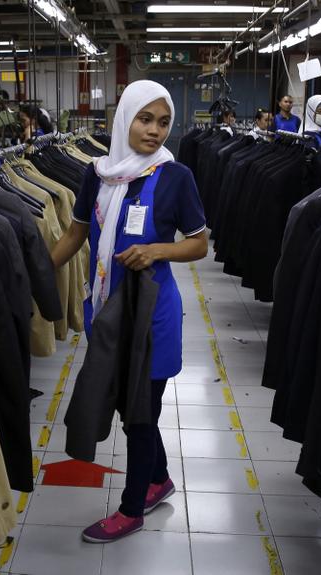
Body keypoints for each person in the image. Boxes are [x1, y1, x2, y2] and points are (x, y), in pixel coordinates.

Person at [50, 79, 208, 544]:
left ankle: (132, 508)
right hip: (108, 311)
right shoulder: (96, 174)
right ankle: (158, 479)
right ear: (124, 119)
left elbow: (199, 244)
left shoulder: (175, 177)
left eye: (163, 122)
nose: (155, 131)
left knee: (140, 413)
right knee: (129, 406)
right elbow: (75, 235)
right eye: (145, 119)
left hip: (151, 316)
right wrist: (28, 276)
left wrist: (157, 250)